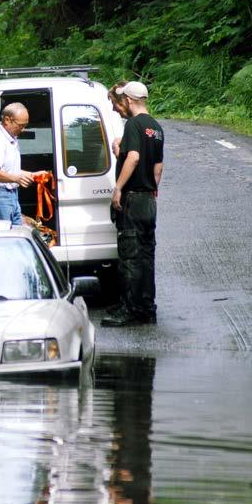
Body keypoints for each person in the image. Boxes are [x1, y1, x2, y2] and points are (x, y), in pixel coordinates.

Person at [102, 81, 164, 327]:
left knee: (130, 255)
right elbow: (157, 168)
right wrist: (151, 189)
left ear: (128, 100)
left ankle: (130, 310)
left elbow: (135, 158)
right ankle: (146, 307)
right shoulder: (156, 128)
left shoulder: (134, 125)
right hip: (149, 198)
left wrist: (118, 187)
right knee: (146, 256)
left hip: (133, 199)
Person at [0, 102, 44, 225]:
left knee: (16, 232)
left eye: (25, 126)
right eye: (20, 125)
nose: (22, 129)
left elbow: (10, 170)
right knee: (6, 235)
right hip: (1, 195)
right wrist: (16, 179)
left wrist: (33, 175)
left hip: (12, 194)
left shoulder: (10, 138)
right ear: (7, 120)